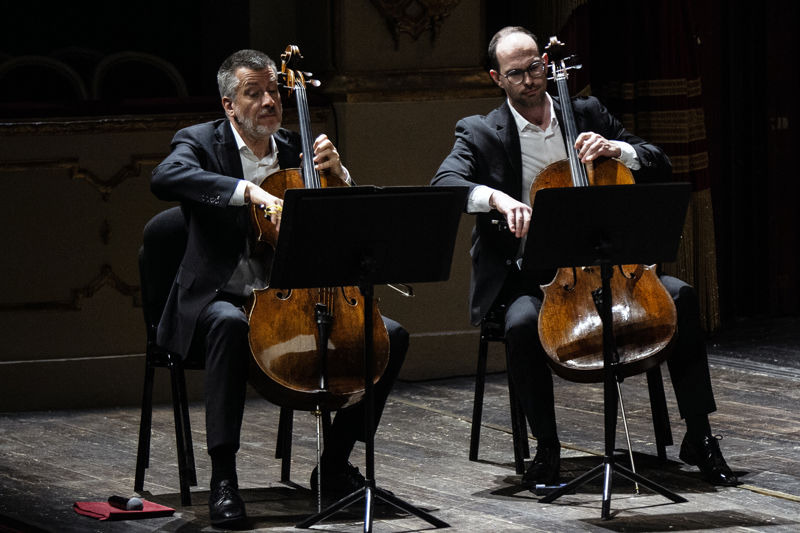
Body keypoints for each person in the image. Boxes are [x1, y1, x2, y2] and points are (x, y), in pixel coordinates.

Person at [432, 26, 738, 490]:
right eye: (516, 73)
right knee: (521, 324)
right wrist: (497, 199)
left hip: (612, 266)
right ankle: (547, 450)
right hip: (533, 275)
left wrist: (618, 150)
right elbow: (445, 184)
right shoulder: (479, 131)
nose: (530, 80)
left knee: (683, 298)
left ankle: (700, 435)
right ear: (497, 78)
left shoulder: (586, 113)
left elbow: (658, 160)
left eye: (535, 67)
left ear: (546, 65)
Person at [151, 49, 407, 528]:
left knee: (390, 336)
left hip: (295, 301)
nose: (269, 101)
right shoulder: (200, 142)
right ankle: (224, 479)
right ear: (229, 105)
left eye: (274, 91)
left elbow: (344, 228)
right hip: (220, 297)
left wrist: (340, 177)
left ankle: (334, 465)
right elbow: (165, 177)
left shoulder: (297, 147)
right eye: (255, 93)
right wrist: (247, 191)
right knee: (228, 325)